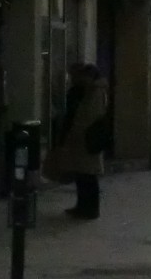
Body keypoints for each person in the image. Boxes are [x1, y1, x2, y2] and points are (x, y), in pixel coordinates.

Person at [53, 63, 108, 219]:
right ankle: (83, 206)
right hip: (82, 137)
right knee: (82, 174)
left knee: (88, 175)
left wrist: (78, 130)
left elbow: (90, 115)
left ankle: (90, 208)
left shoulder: (95, 92)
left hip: (88, 138)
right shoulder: (84, 91)